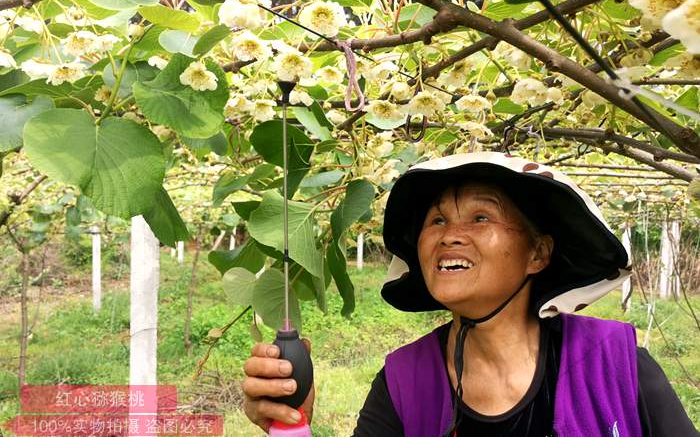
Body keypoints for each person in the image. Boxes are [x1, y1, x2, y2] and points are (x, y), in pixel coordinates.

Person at [242, 152, 698, 436]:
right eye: (436, 221)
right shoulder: (406, 381)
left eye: (481, 218)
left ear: (538, 253)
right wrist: (293, 428)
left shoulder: (614, 363)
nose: (450, 236)